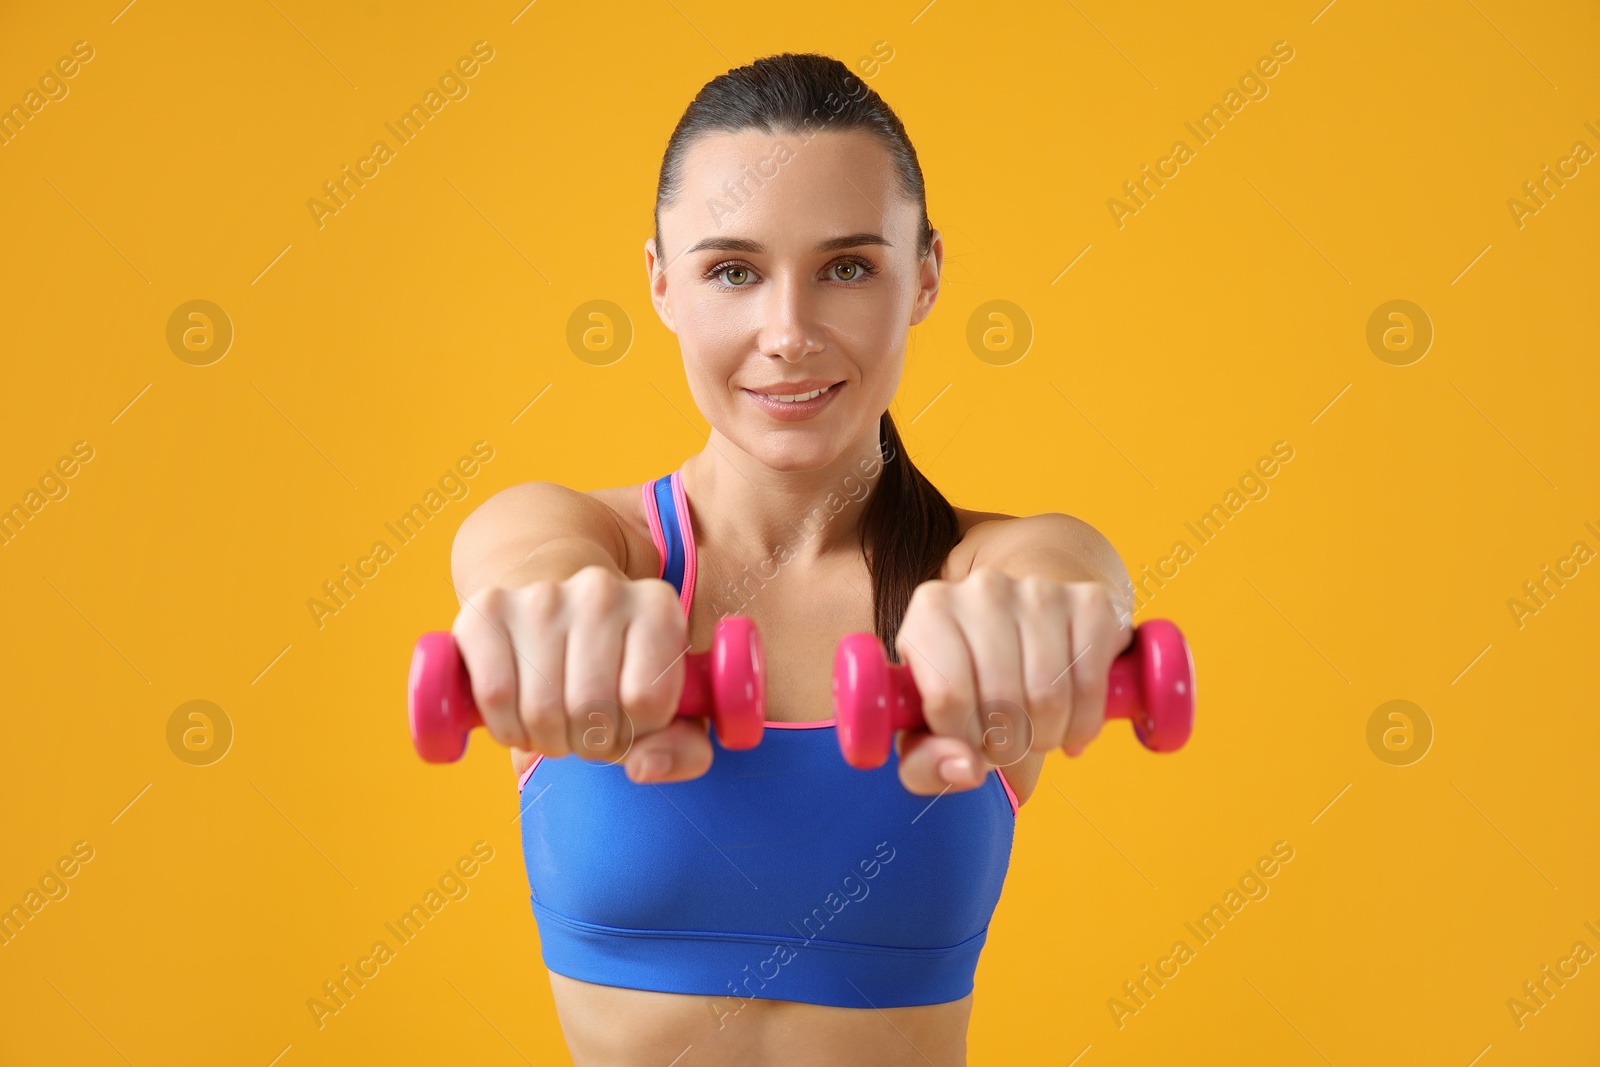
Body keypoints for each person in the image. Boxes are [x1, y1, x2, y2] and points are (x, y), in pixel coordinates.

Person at [448, 52, 1134, 1067]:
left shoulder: (973, 571)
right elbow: (524, 561)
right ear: (661, 283)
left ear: (927, 275)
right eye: (733, 270)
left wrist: (1050, 606)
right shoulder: (598, 548)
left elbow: (1062, 566)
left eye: (847, 268)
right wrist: (562, 607)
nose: (789, 333)